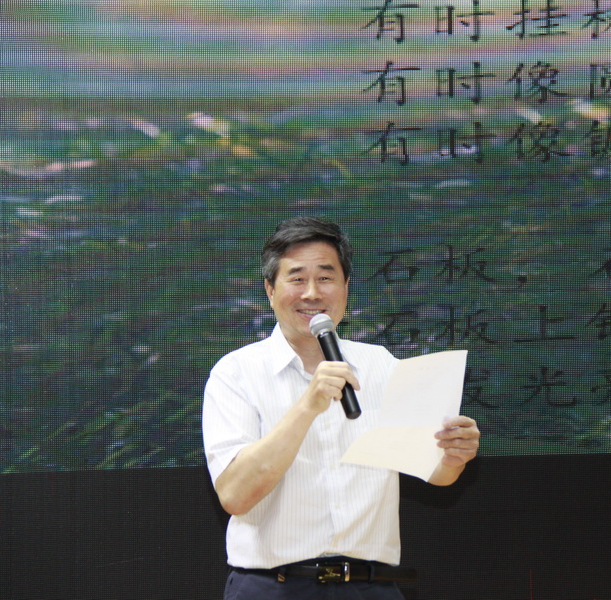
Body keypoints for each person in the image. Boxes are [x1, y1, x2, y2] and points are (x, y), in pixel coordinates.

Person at [202, 216, 480, 600]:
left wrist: (454, 455)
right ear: (270, 289)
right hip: (272, 588)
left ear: (346, 287)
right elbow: (235, 495)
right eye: (297, 279)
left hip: (370, 587)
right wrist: (307, 406)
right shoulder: (236, 374)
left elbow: (437, 473)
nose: (312, 293)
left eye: (325, 277)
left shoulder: (382, 365)